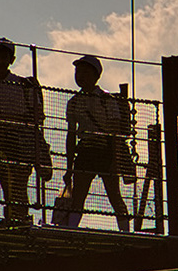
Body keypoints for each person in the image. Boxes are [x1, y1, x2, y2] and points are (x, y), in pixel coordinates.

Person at [0, 37, 48, 223]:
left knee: (19, 184)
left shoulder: (24, 85)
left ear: (11, 60)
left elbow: (39, 117)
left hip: (24, 142)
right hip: (2, 143)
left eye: (3, 57)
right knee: (7, 185)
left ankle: (20, 220)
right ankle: (15, 219)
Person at [53, 53, 131, 232]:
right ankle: (71, 231)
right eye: (78, 72)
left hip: (105, 151)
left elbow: (115, 133)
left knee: (114, 196)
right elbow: (71, 135)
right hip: (85, 151)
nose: (80, 76)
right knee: (78, 196)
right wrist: (69, 166)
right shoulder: (74, 102)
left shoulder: (106, 100)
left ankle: (125, 230)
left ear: (96, 75)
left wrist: (114, 160)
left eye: (85, 72)